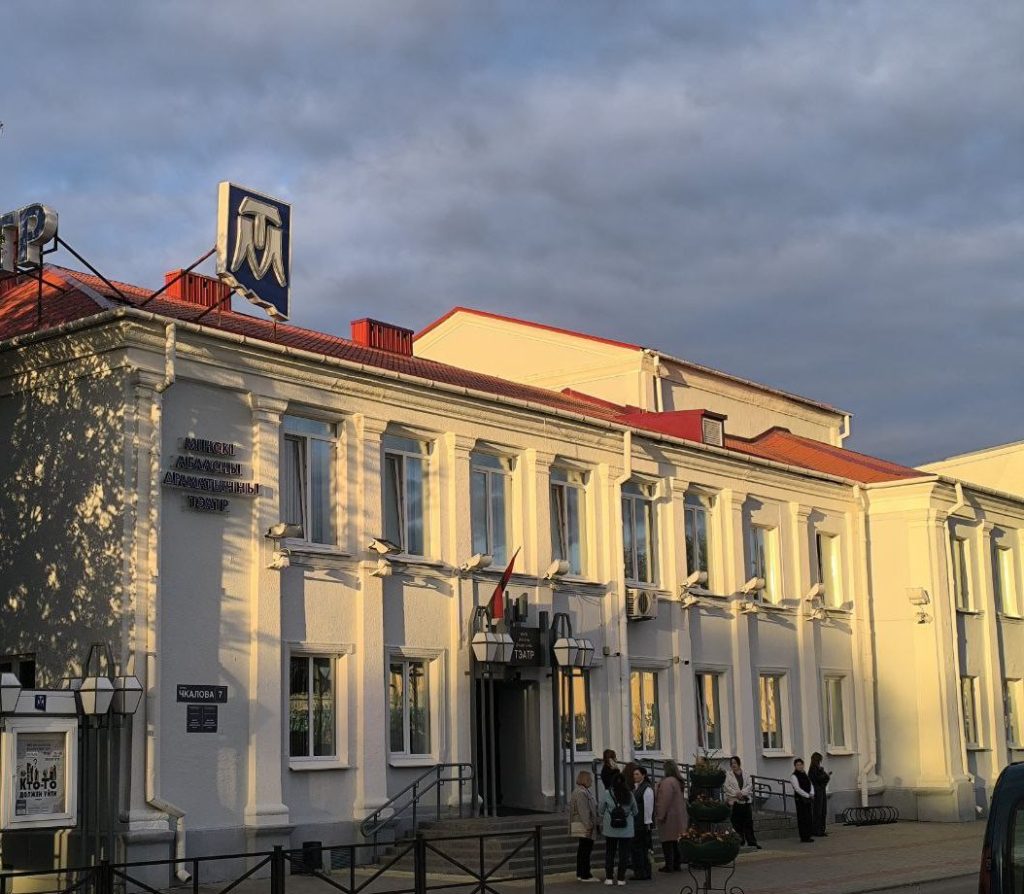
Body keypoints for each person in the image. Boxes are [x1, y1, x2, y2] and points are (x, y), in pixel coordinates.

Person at [599, 771, 638, 885]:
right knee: (624, 854)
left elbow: (601, 810)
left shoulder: (607, 793)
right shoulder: (629, 794)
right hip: (626, 830)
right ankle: (621, 878)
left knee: (610, 853)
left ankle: (609, 878)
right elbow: (635, 811)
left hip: (610, 828)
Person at [654, 760, 687, 872]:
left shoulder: (667, 782)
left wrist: (660, 815)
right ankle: (677, 864)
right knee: (675, 841)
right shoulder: (678, 781)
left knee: (667, 841)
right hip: (678, 816)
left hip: (669, 817)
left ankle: (669, 865)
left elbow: (664, 800)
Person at [723, 756, 760, 849]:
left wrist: (742, 793)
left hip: (745, 801)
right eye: (731, 763)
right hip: (735, 802)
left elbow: (750, 785)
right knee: (736, 823)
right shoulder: (728, 775)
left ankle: (752, 842)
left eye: (735, 763)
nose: (733, 765)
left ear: (739, 763)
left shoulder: (746, 773)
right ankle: (740, 841)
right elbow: (727, 787)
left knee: (748, 822)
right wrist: (736, 793)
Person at [569, 770, 599, 882]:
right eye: (590, 779)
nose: (591, 781)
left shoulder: (580, 791)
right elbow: (584, 811)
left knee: (583, 849)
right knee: (585, 850)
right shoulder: (581, 792)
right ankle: (585, 874)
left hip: (583, 824)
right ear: (585, 779)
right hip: (585, 826)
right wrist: (589, 826)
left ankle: (580, 873)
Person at [630, 767, 654, 880]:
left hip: (642, 823)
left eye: (637, 774)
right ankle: (642, 871)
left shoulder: (647, 789)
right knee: (639, 848)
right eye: (634, 774)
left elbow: (648, 807)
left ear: (643, 775)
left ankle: (642, 872)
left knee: (640, 848)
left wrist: (647, 823)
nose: (635, 776)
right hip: (637, 822)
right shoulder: (637, 788)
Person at [790, 758, 815, 843]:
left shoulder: (804, 774)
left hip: (808, 799)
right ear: (795, 766)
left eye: (801, 764)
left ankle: (808, 835)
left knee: (808, 817)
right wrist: (807, 795)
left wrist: (812, 793)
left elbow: (810, 784)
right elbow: (797, 789)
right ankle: (804, 837)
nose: (799, 766)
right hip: (800, 799)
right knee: (802, 818)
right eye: (797, 765)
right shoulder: (794, 776)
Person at [808, 752, 831, 837]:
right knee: (818, 811)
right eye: (819, 760)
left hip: (821, 790)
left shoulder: (819, 768)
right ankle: (817, 830)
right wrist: (825, 776)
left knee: (823, 811)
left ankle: (821, 830)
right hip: (817, 792)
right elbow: (817, 779)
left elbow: (824, 780)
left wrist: (826, 776)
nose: (820, 761)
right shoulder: (813, 769)